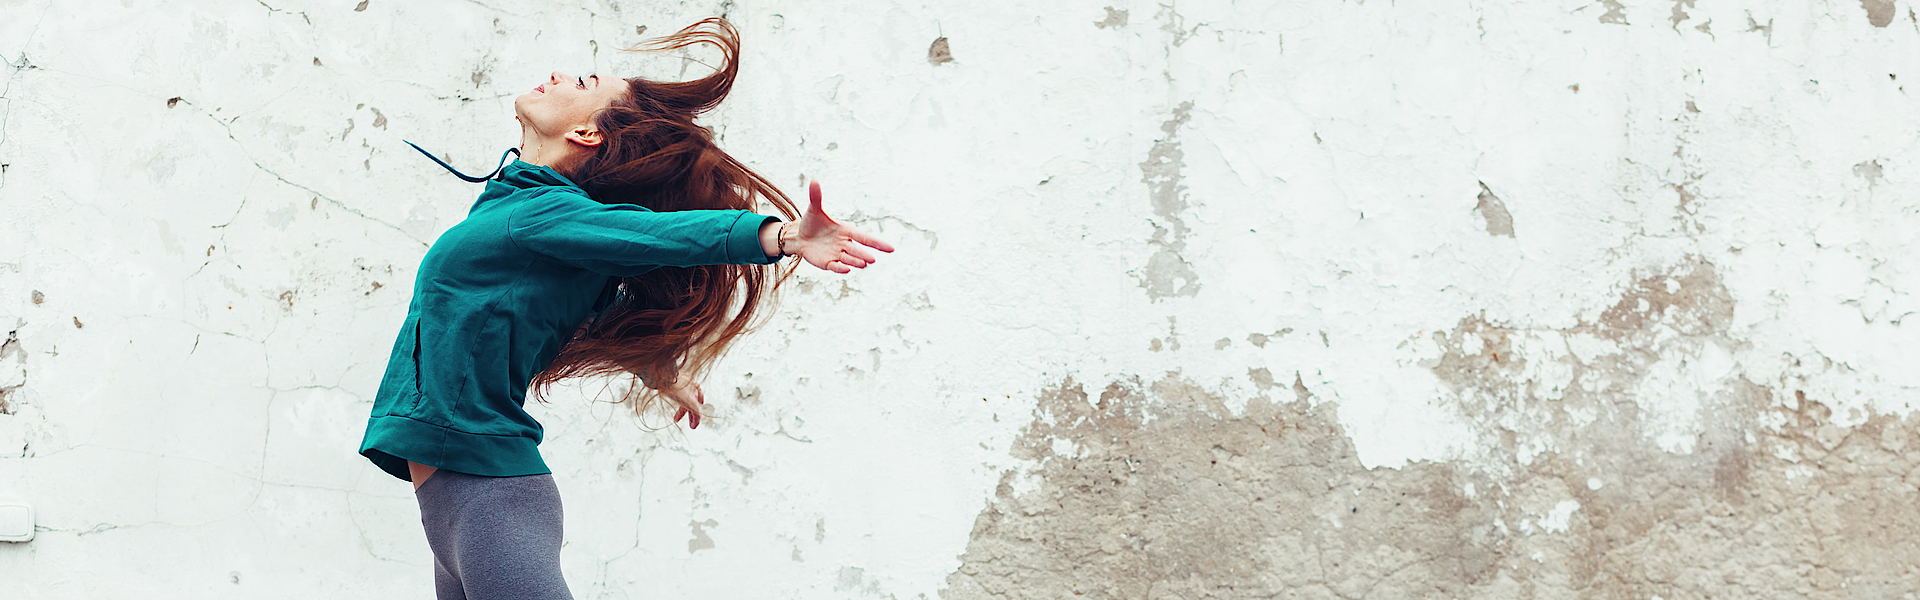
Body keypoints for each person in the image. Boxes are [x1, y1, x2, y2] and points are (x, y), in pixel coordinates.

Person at [356, 18, 893, 599]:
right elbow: (577, 309)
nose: (560, 74)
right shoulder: (526, 215)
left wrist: (780, 237)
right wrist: (659, 371)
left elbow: (658, 236)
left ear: (587, 133)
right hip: (459, 499)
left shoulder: (545, 216)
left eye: (583, 82)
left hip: (487, 495)